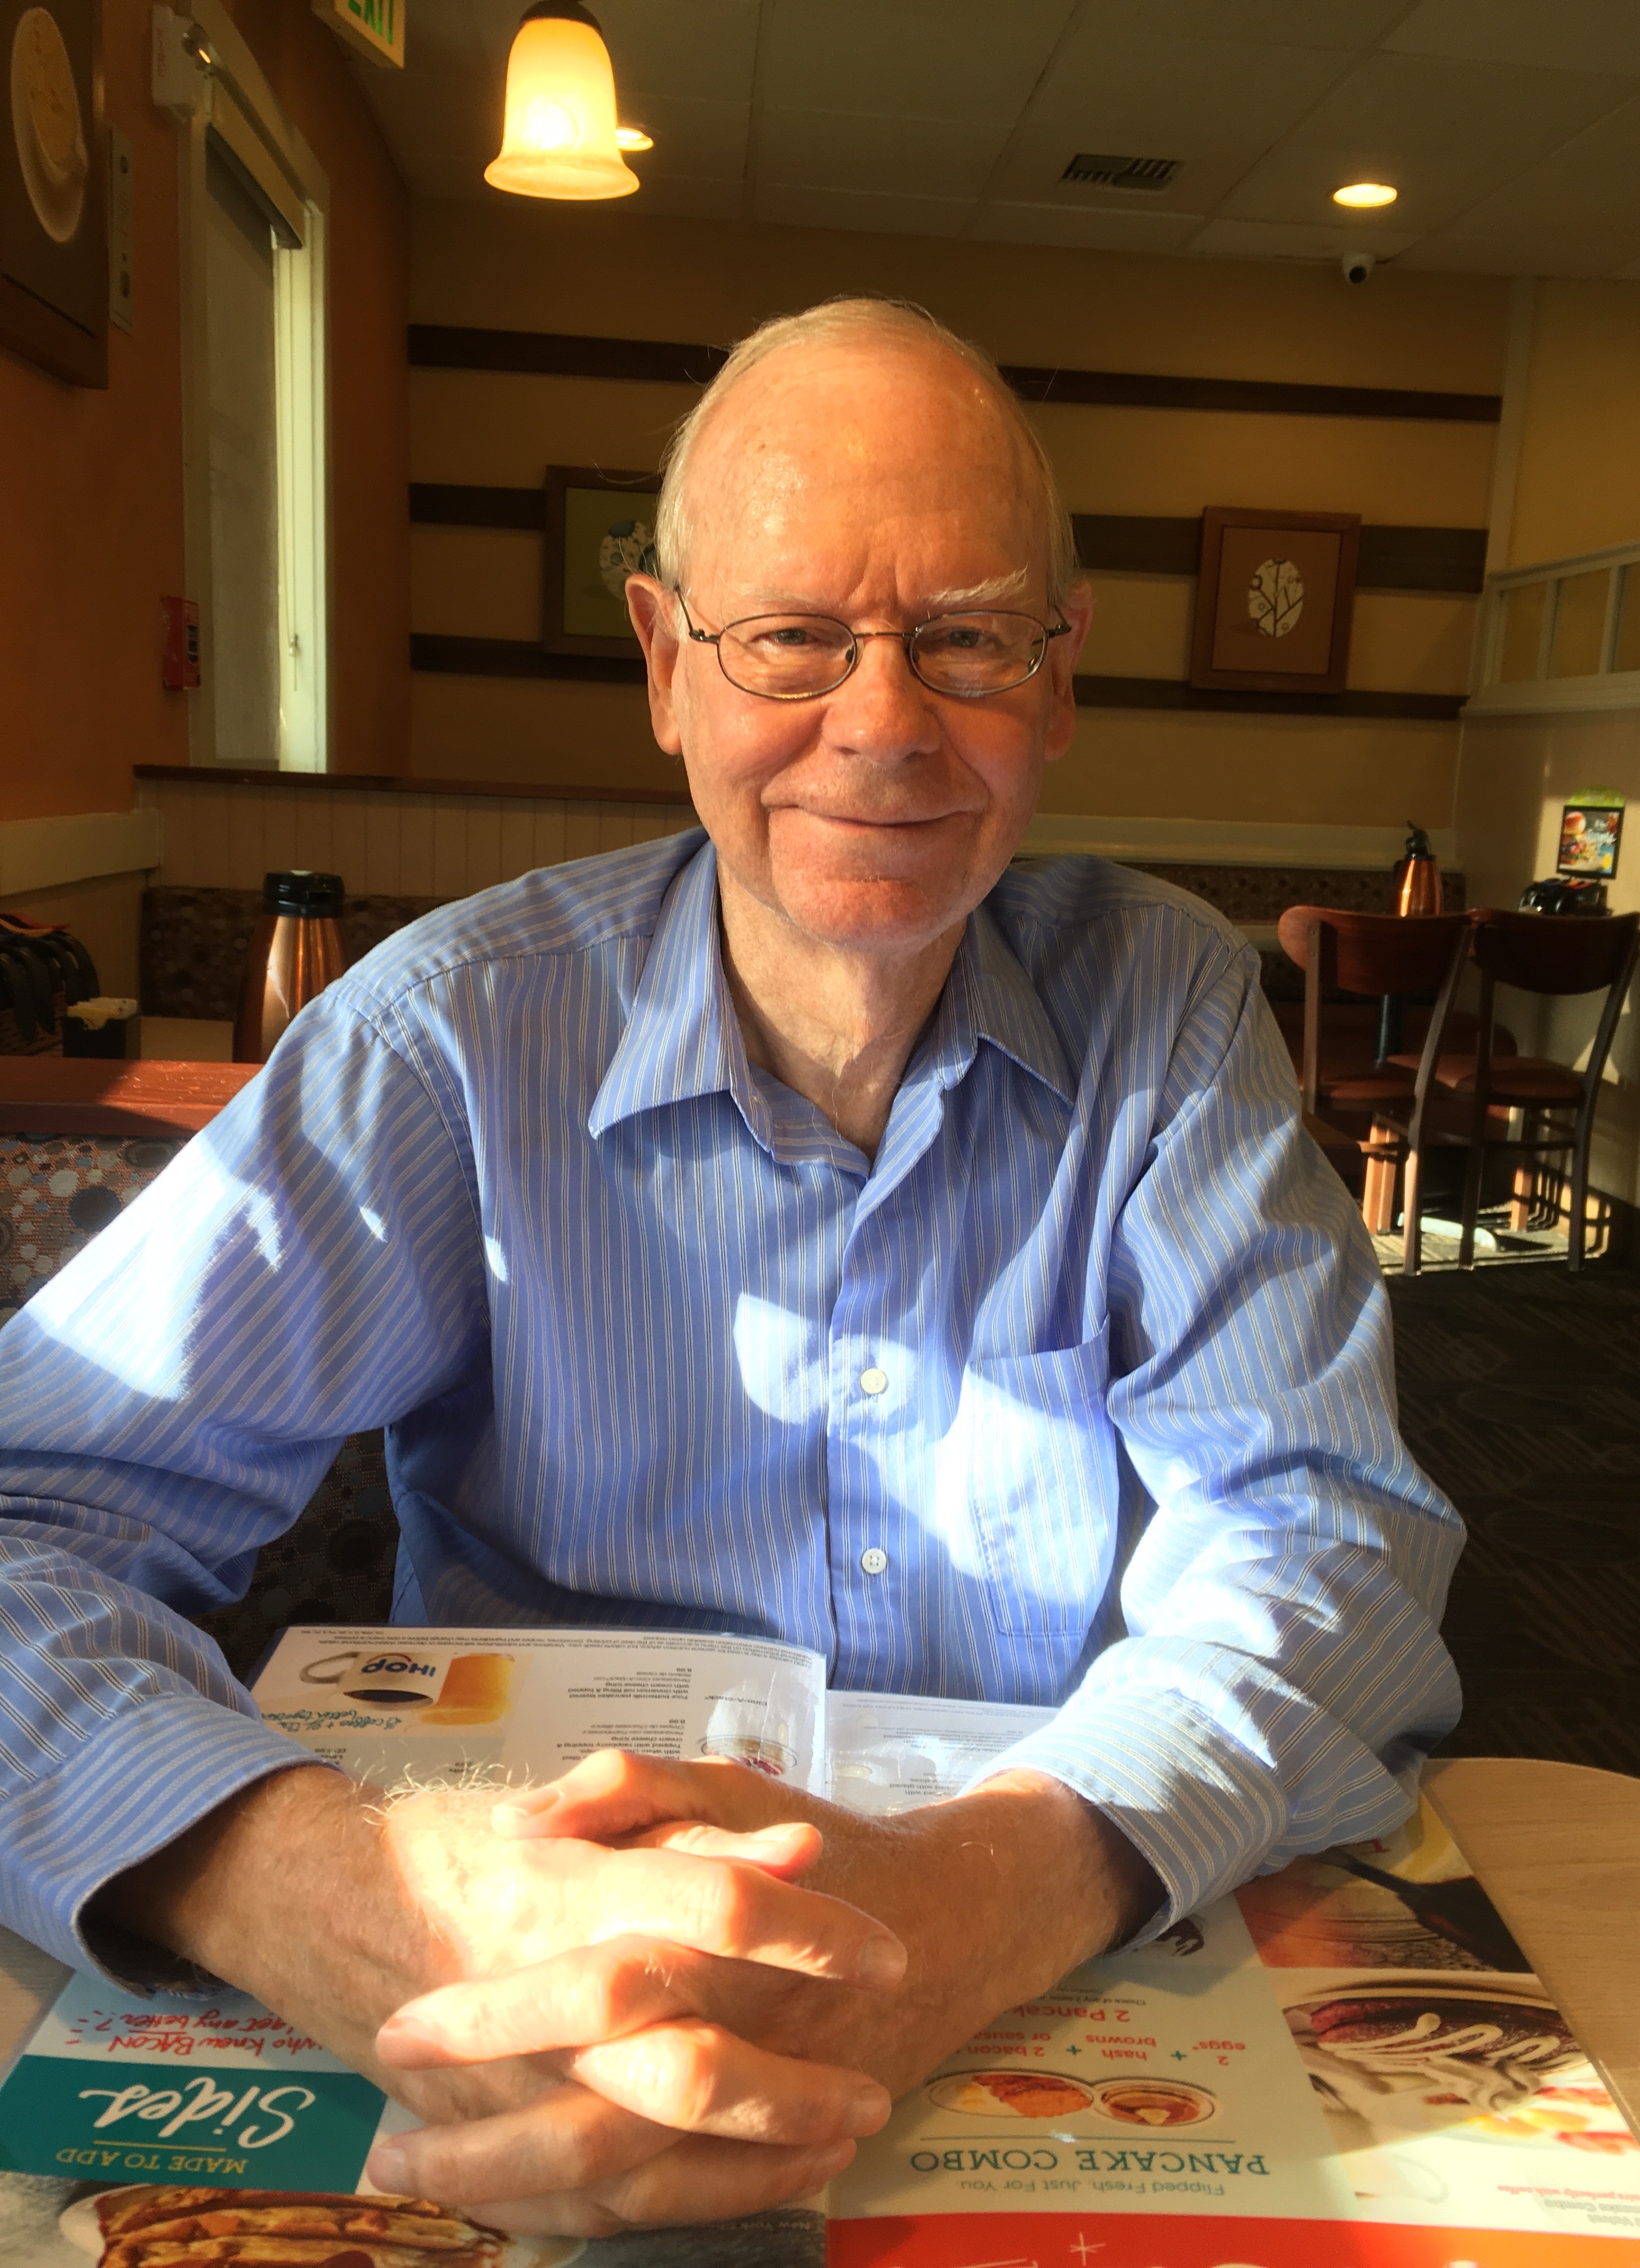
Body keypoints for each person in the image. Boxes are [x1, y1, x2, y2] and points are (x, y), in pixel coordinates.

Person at [0, 298, 1462, 2236]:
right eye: (790, 636)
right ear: (664, 663)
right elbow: (25, 1519)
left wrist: (981, 1894)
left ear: (1060, 678)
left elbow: (1327, 1541)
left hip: (1032, 1982)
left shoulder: (1172, 1009)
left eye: (968, 637)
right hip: (517, 1980)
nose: (885, 721)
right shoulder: (445, 1037)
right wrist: (334, 1896)